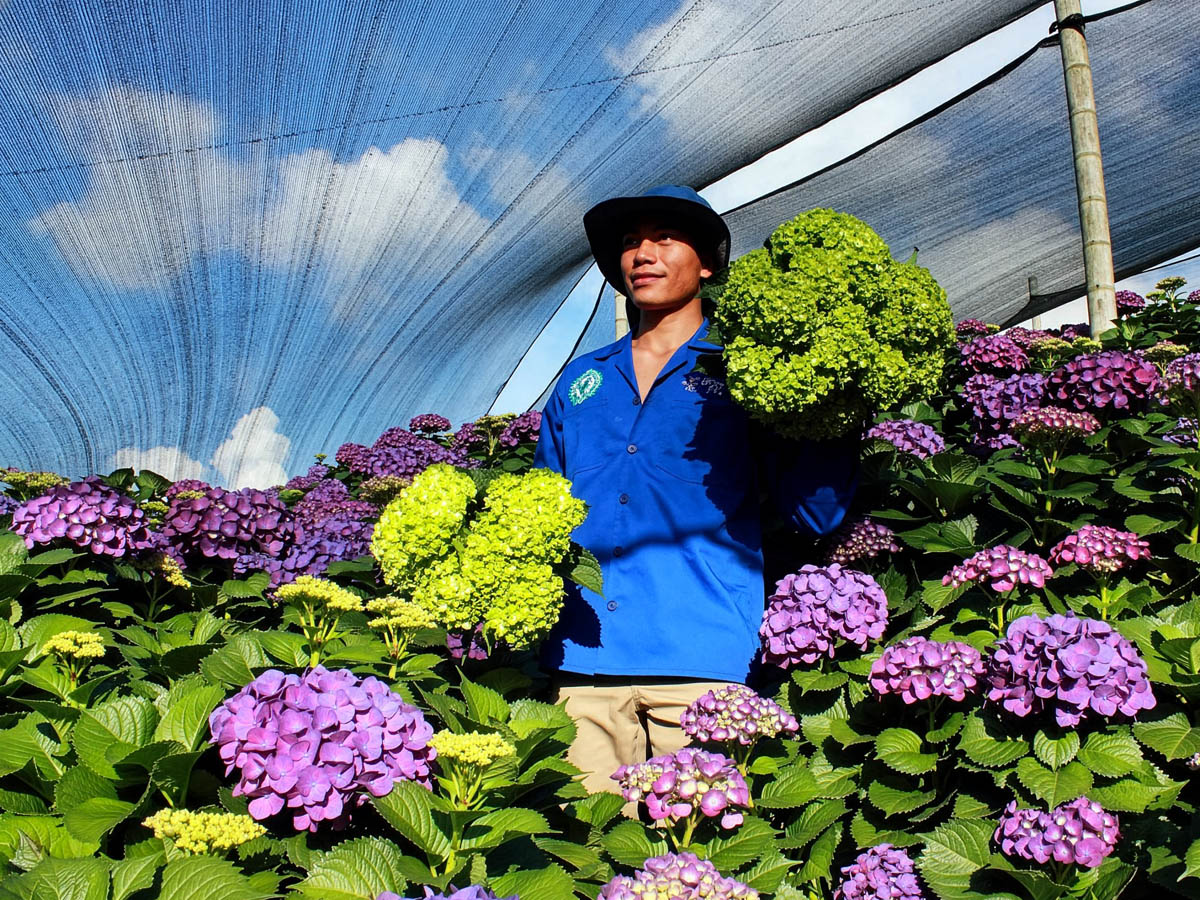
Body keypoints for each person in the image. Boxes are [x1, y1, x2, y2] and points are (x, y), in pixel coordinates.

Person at [533, 185, 859, 795]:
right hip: (583, 661)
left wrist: (832, 408)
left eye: (664, 239)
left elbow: (814, 515)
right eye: (630, 243)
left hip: (702, 660)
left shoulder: (750, 369)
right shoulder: (581, 380)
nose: (642, 254)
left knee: (699, 845)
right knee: (589, 841)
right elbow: (538, 509)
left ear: (707, 263)